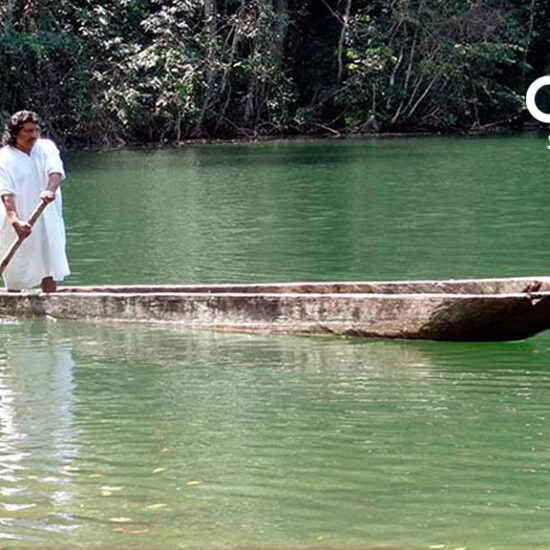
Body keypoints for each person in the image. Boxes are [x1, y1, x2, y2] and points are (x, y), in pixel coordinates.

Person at [0, 110, 70, 292]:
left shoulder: (46, 147)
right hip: (17, 220)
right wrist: (15, 221)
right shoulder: (4, 158)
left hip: (46, 218)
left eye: (36, 130)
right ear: (15, 133)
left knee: (48, 265)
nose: (34, 135)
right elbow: (6, 193)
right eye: (28, 131)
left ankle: (51, 302)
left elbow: (55, 172)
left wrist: (49, 190)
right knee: (16, 265)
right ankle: (12, 303)